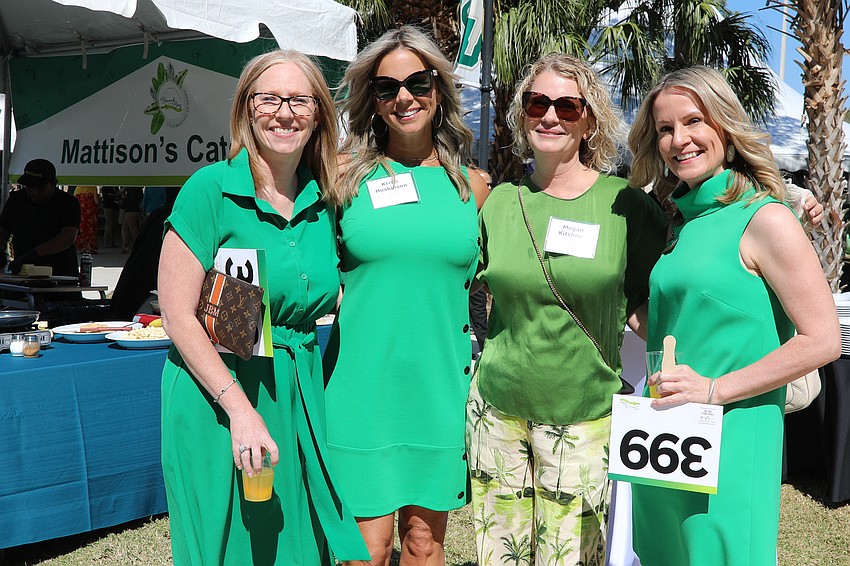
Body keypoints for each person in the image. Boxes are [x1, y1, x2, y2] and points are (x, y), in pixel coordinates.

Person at [157, 50, 368, 565]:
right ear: (247, 109)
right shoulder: (211, 190)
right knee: (224, 546)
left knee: (293, 541)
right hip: (218, 393)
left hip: (295, 391)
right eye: (268, 98)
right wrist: (240, 411)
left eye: (299, 100)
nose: (284, 112)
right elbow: (177, 313)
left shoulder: (328, 200)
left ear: (319, 113)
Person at [627, 66, 839, 565]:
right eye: (664, 128)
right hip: (666, 435)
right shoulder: (680, 221)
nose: (679, 139)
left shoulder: (766, 218)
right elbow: (674, 324)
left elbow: (822, 339)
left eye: (694, 121)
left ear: (724, 126)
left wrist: (714, 390)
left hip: (733, 437)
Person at [466, 53, 668, 565]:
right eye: (538, 102)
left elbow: (649, 304)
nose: (550, 115)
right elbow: (478, 292)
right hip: (496, 414)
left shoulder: (626, 206)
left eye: (567, 105)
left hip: (584, 421)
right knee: (499, 557)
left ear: (589, 120)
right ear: (522, 113)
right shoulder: (500, 203)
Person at [322, 26, 489, 565]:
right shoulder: (341, 179)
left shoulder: (475, 187)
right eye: (387, 87)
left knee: (424, 544)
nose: (404, 98)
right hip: (361, 388)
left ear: (440, 91)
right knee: (364, 552)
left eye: (418, 83)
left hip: (438, 388)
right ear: (371, 100)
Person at [0, 158, 80, 277]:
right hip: (23, 273)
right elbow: (3, 230)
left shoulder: (68, 203)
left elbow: (68, 237)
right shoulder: (16, 200)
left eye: (40, 188)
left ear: (53, 184)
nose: (34, 193)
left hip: (60, 274)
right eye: (30, 188)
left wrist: (34, 254)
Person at [468, 167, 492, 358]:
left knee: (478, 307)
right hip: (465, 267)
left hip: (478, 266)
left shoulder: (492, 209)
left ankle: (484, 344)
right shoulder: (466, 207)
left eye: (490, 184)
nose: (487, 188)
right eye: (485, 184)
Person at [73, 185, 100, 253]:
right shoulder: (93, 187)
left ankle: (82, 248)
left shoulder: (78, 188)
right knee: (91, 229)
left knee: (82, 229)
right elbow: (96, 201)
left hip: (81, 213)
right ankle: (90, 248)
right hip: (90, 213)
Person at [119, 186, 142, 253]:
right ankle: (125, 245)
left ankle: (138, 245)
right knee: (126, 228)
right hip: (134, 209)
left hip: (131, 209)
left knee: (132, 229)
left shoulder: (128, 188)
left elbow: (131, 198)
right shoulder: (137, 187)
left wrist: (124, 197)